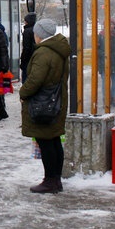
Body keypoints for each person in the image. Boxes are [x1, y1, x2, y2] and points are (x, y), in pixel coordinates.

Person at [19, 17, 70, 193]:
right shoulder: (59, 50)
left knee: (46, 142)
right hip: (56, 101)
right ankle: (56, 180)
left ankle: (50, 181)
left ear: (40, 35)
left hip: (44, 103)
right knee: (54, 140)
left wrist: (23, 93)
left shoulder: (43, 52)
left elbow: (35, 79)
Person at [20, 12, 37, 82]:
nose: (24, 22)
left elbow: (26, 47)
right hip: (35, 58)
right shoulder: (36, 30)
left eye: (25, 20)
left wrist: (23, 60)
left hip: (28, 60)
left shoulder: (27, 31)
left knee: (26, 79)